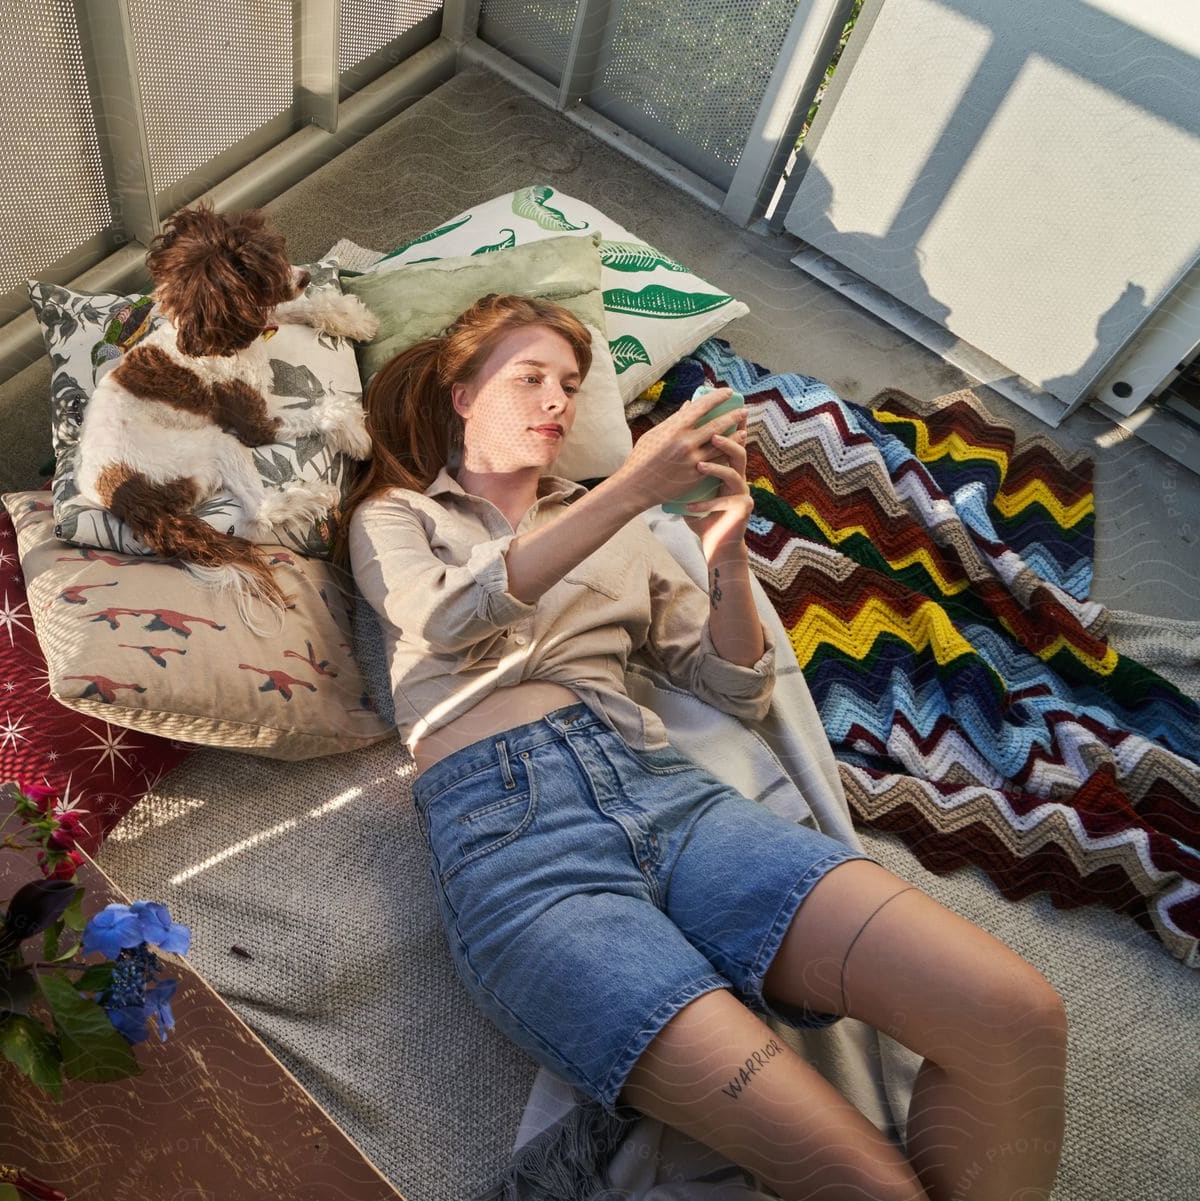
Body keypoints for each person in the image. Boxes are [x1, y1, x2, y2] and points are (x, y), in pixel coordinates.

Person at [335, 293, 1067, 1201]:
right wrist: (629, 489)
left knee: (1015, 1015)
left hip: (670, 797)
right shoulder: (399, 515)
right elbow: (444, 617)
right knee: (870, 1186)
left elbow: (734, 687)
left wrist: (722, 555)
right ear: (461, 393)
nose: (558, 402)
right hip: (519, 844)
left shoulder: (634, 535)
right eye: (530, 378)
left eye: (570, 385)